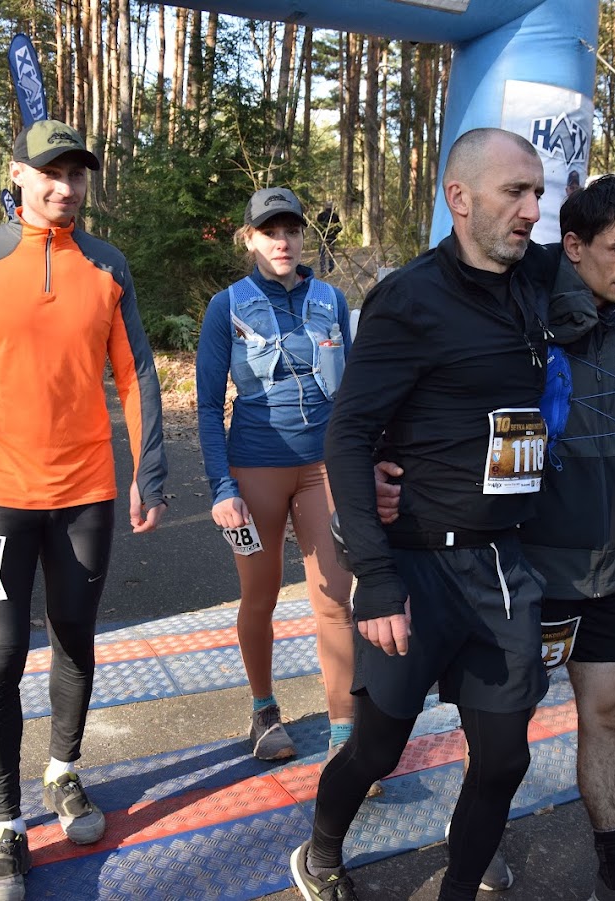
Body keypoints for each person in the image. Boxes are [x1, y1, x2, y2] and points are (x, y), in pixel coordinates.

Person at [375, 177, 615, 899]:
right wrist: (378, 462)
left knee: (607, 714)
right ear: (573, 246)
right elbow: (441, 397)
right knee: (500, 731)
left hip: (607, 569)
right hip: (528, 568)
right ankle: (476, 847)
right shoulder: (522, 311)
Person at [289, 128, 557, 901]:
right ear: (459, 197)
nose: (531, 209)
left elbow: (613, 269)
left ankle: (457, 888)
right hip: (414, 568)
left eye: (538, 193)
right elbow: (348, 435)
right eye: (515, 192)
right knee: (377, 748)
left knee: (504, 757)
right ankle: (321, 852)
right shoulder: (409, 298)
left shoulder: (537, 281)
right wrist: (374, 576)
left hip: (501, 564)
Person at [0, 118, 169, 901]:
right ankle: (3, 822)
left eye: (77, 173)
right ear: (18, 174)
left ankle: (63, 770)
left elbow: (136, 374)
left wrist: (148, 469)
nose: (66, 186)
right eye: (51, 172)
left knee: (74, 636)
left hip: (84, 498)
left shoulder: (107, 264)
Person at [196, 187, 356, 764]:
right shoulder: (227, 307)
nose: (282, 241)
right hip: (255, 470)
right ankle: (264, 710)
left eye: (291, 230)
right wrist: (223, 488)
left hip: (323, 470)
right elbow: (208, 407)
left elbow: (354, 394)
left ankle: (345, 733)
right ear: (249, 239)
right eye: (269, 231)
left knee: (335, 598)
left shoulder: (332, 300)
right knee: (259, 596)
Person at [317, 202, 342, 274]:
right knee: (330, 253)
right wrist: (335, 232)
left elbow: (317, 227)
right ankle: (330, 269)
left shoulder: (322, 216)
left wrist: (319, 234)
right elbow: (339, 227)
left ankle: (324, 270)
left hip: (324, 237)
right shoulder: (334, 216)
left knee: (323, 254)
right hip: (329, 237)